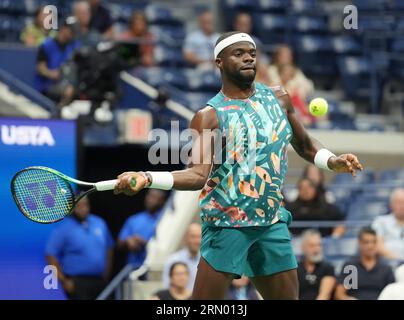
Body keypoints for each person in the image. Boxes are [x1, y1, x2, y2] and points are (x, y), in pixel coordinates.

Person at [114, 31, 363, 300]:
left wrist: (332, 161)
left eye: (252, 54)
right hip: (227, 226)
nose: (248, 58)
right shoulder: (208, 117)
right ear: (219, 62)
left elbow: (304, 145)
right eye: (239, 53)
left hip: (271, 223)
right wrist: (147, 177)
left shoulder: (278, 98)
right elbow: (198, 175)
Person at [45, 196, 114, 300]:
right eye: (79, 205)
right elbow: (50, 255)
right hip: (77, 283)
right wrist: (64, 281)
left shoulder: (99, 222)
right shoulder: (64, 227)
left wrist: (106, 272)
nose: (83, 208)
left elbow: (109, 247)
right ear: (71, 207)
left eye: (85, 204)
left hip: (100, 281)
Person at [335, 227, 395, 300]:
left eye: (374, 242)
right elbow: (340, 294)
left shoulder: (385, 267)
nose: (370, 246)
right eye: (366, 242)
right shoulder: (351, 267)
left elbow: (392, 294)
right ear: (359, 243)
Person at [34, 17, 79, 108]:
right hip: (49, 84)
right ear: (63, 28)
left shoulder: (74, 45)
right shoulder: (47, 45)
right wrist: (52, 74)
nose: (73, 34)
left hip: (68, 82)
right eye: (71, 31)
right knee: (68, 91)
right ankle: (60, 113)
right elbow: (41, 68)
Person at [118, 189, 167, 269]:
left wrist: (144, 243)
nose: (149, 199)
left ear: (162, 201)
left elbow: (166, 244)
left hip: (156, 268)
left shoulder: (166, 220)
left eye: (154, 197)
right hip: (133, 268)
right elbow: (119, 243)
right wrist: (128, 241)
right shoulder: (134, 219)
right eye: (149, 196)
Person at [297, 229, 336, 300]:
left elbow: (324, 295)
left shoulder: (328, 268)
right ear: (303, 247)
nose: (316, 249)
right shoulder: (295, 268)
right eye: (312, 245)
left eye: (319, 245)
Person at [162, 223, 201, 291]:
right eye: (193, 237)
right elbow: (167, 289)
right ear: (185, 238)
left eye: (199, 237)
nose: (197, 241)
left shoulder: (208, 261)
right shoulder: (173, 260)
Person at [372, 188, 404, 260]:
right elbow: (377, 245)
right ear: (391, 204)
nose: (402, 206)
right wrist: (398, 260)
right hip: (387, 265)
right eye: (398, 202)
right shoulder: (380, 221)